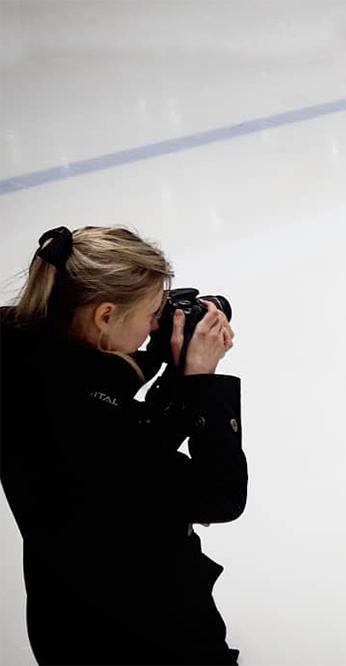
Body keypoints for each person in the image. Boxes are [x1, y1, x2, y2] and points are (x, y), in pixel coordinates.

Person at [0, 226, 247, 664]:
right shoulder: (91, 430)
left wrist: (163, 364)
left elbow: (122, 422)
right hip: (147, 631)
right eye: (153, 313)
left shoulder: (24, 358)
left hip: (65, 619)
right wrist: (204, 385)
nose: (157, 323)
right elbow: (219, 495)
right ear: (104, 315)